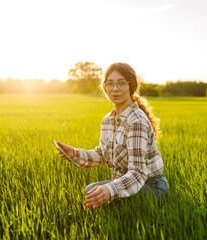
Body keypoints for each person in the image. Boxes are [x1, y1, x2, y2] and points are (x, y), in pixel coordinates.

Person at [56, 62, 169, 209]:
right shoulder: (107, 121)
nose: (115, 89)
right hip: (127, 182)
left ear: (131, 86)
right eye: (110, 84)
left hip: (152, 187)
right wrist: (75, 154)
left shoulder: (137, 121)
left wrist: (110, 189)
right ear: (105, 88)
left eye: (121, 83)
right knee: (91, 192)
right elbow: (103, 154)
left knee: (100, 196)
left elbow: (138, 173)